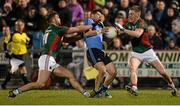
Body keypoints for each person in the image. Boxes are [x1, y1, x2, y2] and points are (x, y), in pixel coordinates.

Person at [8, 11, 93, 98]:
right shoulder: (56, 28)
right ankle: (16, 91)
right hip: (47, 58)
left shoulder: (51, 30)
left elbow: (66, 40)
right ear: (53, 19)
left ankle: (86, 94)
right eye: (58, 17)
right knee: (40, 84)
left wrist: (81, 36)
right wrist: (92, 26)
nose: (59, 19)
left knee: (70, 75)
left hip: (49, 59)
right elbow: (77, 29)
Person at [115, 5, 177, 96]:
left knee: (162, 72)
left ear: (138, 15)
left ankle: (171, 83)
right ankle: (134, 88)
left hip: (147, 51)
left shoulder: (142, 22)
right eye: (129, 14)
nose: (129, 16)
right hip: (136, 52)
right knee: (132, 68)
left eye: (132, 14)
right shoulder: (128, 24)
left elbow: (137, 34)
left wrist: (123, 30)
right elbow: (122, 32)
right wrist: (116, 31)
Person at [84, 9, 117, 98]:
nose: (100, 16)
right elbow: (87, 34)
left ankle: (104, 89)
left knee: (113, 72)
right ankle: (96, 91)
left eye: (100, 15)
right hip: (92, 50)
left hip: (100, 51)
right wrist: (101, 31)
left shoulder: (101, 24)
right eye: (98, 14)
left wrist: (112, 33)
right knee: (102, 70)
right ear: (92, 15)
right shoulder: (89, 21)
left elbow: (103, 36)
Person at [1, 20, 30, 89]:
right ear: (15, 26)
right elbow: (5, 42)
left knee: (13, 71)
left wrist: (28, 44)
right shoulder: (12, 34)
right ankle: (27, 85)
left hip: (22, 54)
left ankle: (3, 84)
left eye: (21, 25)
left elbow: (28, 41)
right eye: (17, 25)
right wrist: (6, 52)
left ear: (23, 26)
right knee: (23, 69)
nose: (19, 27)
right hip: (15, 55)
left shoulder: (24, 34)